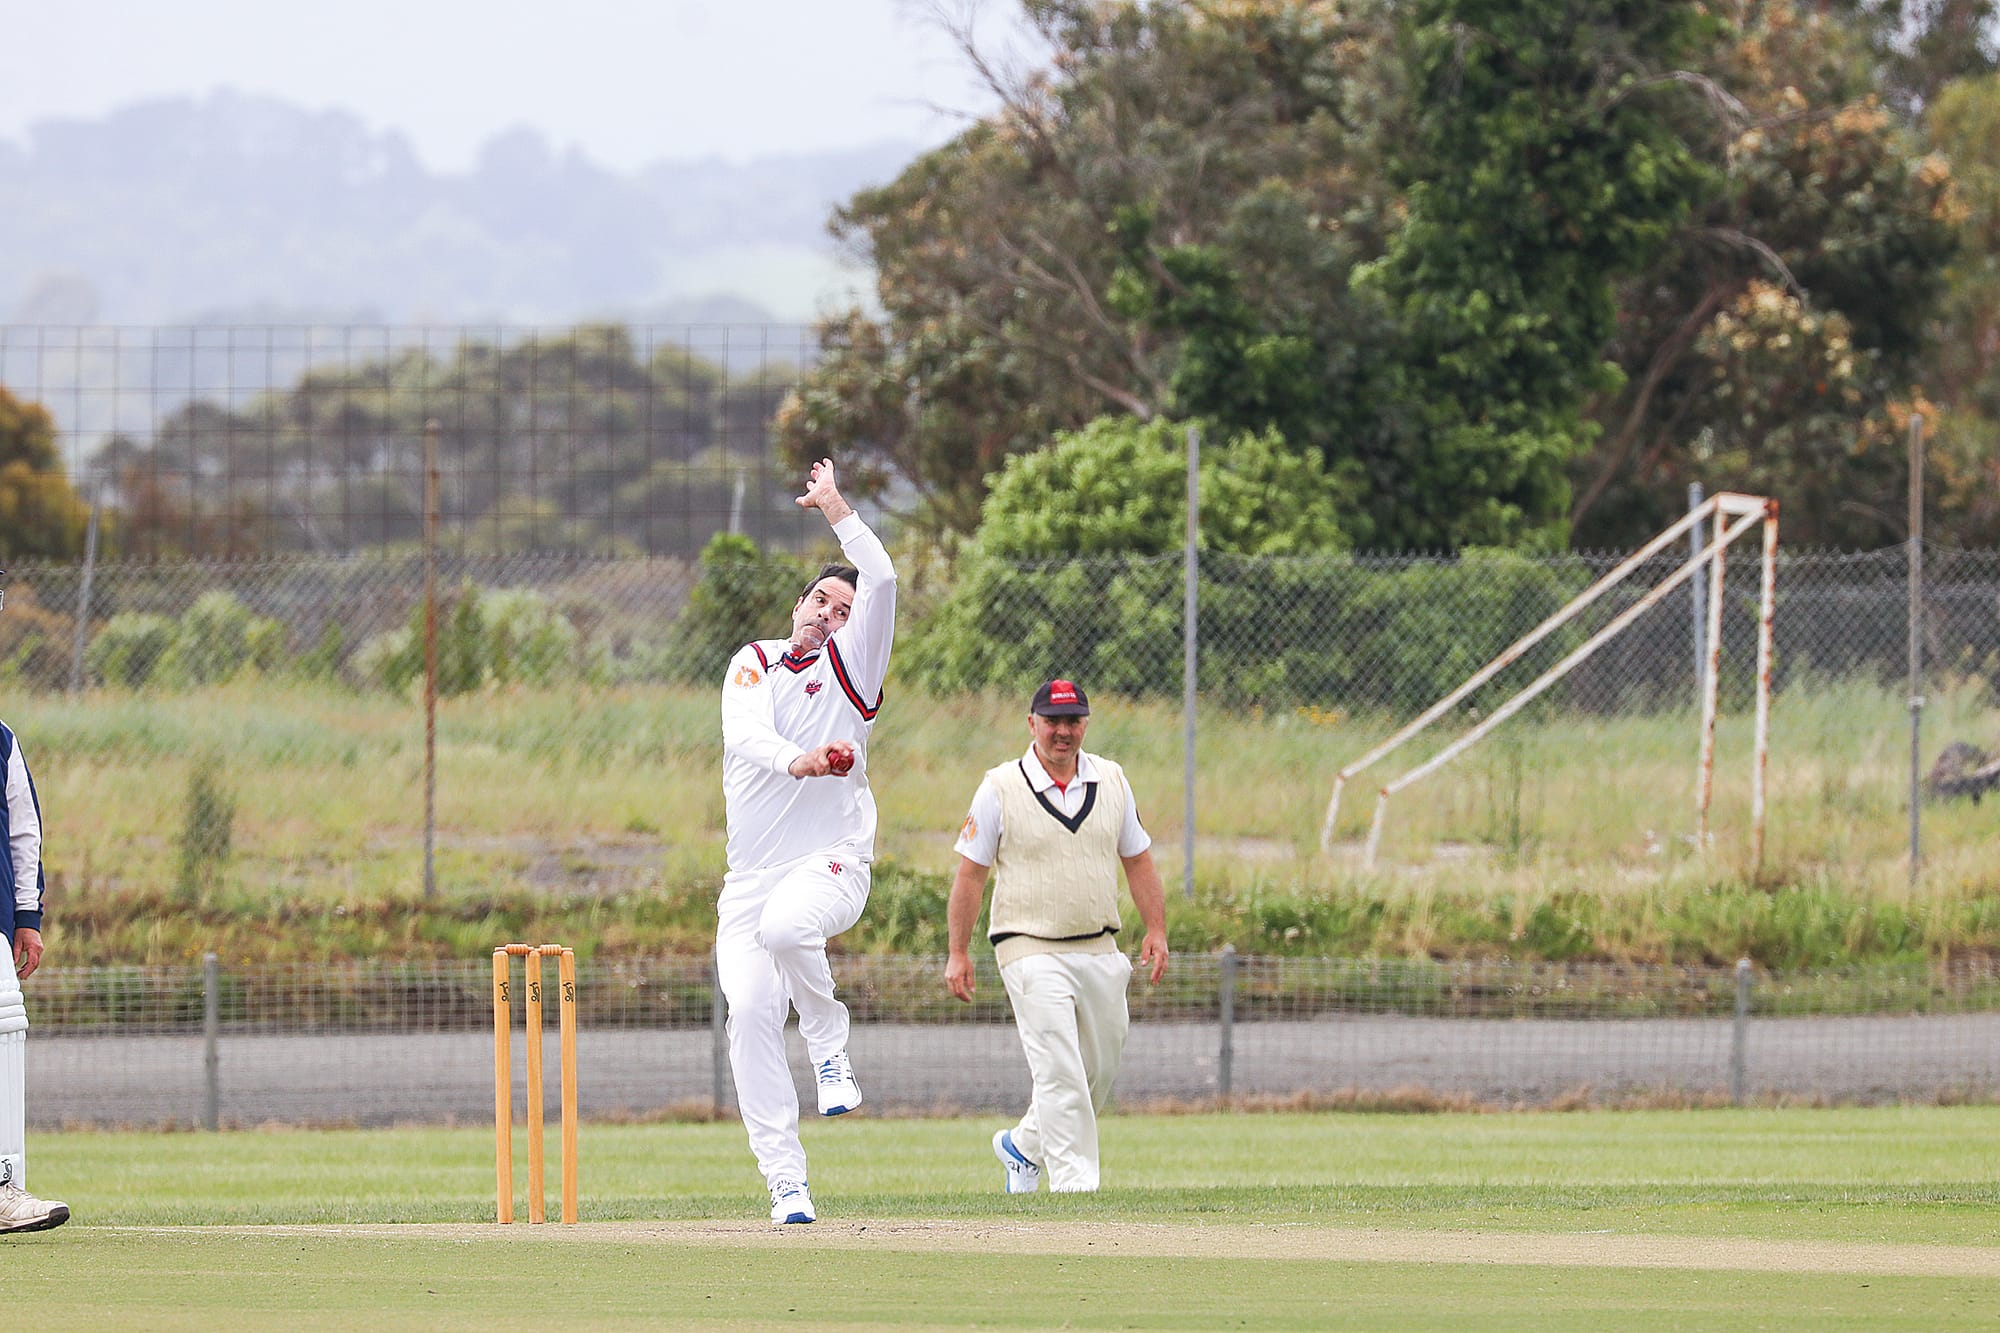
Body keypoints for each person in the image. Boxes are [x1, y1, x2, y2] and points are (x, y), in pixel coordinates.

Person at [715, 459, 895, 1226]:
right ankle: (787, 1182)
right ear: (798, 604)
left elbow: (881, 578)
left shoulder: (854, 670)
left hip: (831, 864)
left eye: (842, 607)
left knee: (791, 926)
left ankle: (828, 1042)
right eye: (820, 598)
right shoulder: (751, 663)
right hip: (748, 878)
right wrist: (800, 759)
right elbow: (749, 736)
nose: (830, 611)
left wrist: (835, 508)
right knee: (750, 1012)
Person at [944, 678, 1169, 1194]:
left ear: (1085, 724)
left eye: (1072, 721)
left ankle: (1023, 1146)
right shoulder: (999, 787)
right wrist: (958, 952)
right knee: (1060, 1068)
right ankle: (1075, 1189)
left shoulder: (1112, 780)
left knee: (1099, 1067)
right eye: (1052, 721)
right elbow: (970, 876)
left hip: (1099, 945)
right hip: (1027, 946)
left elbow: (1137, 860)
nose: (1062, 732)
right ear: (1032, 724)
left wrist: (1156, 928)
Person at [0, 571, 69, 1233]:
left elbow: (25, 827)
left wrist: (27, 915)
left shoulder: (1, 739)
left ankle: (3, 1186)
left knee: (4, 1033)